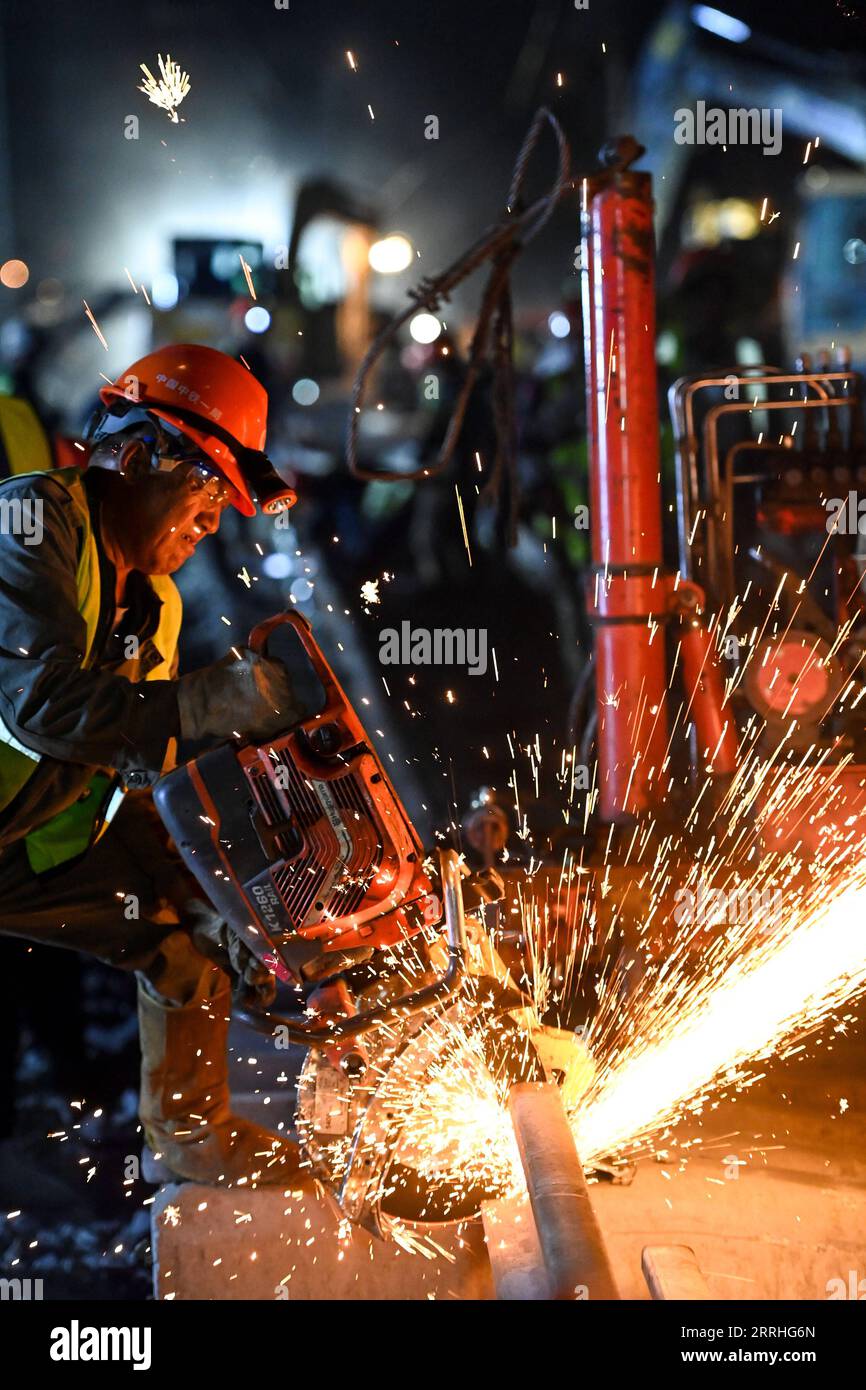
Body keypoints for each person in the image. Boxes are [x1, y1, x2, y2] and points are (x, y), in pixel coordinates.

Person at [0, 343, 306, 1187]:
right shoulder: (29, 524)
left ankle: (191, 1141)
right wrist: (214, 703)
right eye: (207, 494)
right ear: (136, 460)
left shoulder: (155, 604)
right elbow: (42, 709)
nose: (211, 526)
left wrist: (206, 895)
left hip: (19, 847)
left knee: (187, 949)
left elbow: (132, 772)